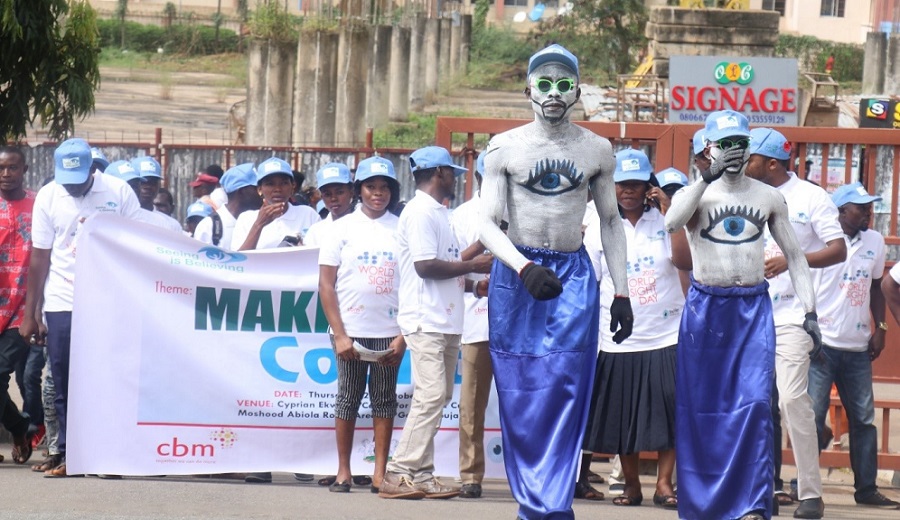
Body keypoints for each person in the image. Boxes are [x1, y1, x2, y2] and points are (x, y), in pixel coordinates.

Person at [477, 44, 633, 520]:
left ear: (577, 91)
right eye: (544, 84)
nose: (553, 93)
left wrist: (621, 292)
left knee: (567, 386)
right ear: (529, 90)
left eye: (563, 84)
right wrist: (522, 266)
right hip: (518, 276)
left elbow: (610, 221)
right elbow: (486, 223)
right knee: (521, 388)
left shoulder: (597, 149)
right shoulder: (505, 147)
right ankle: (532, 503)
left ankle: (555, 504)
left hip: (571, 274)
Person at [664, 110, 821, 520]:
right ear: (708, 148)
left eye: (739, 143)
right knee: (702, 407)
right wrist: (703, 178)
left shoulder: (768, 196)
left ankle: (752, 502)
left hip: (752, 307)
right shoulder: (697, 193)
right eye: (725, 143)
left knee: (754, 406)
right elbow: (672, 221)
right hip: (706, 306)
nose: (733, 151)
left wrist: (810, 311)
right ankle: (702, 502)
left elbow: (795, 256)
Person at [20, 138, 142, 477]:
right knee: (64, 381)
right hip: (62, 300)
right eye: (66, 180)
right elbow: (40, 256)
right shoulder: (49, 195)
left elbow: (137, 246)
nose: (71, 187)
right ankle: (71, 453)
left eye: (78, 179)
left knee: (108, 377)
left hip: (109, 301)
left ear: (92, 169)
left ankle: (108, 454)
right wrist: (31, 314)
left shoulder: (119, 192)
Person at [378, 146, 492, 500]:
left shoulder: (438, 213)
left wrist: (474, 284)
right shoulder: (420, 212)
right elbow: (426, 267)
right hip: (425, 318)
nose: (456, 179)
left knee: (437, 397)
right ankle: (398, 472)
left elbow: (448, 265)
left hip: (444, 318)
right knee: (431, 396)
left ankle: (423, 475)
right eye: (452, 173)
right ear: (439, 173)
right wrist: (477, 265)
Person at [745, 127, 846, 520]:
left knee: (790, 399)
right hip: (748, 314)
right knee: (753, 404)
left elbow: (837, 250)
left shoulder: (811, 196)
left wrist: (793, 258)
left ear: (771, 163)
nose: (743, 163)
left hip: (792, 315)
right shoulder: (742, 193)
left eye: (749, 157)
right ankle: (759, 491)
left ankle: (810, 494)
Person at [583, 149, 689, 510]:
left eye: (635, 184)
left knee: (671, 411)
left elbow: (684, 260)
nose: (628, 191)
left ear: (648, 186)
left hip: (667, 333)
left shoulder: (667, 220)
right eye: (621, 185)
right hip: (617, 338)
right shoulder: (598, 223)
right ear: (610, 187)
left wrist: (671, 213)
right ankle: (630, 485)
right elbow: (590, 278)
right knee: (623, 417)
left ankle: (663, 483)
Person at [318, 155, 405, 494]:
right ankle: (344, 471)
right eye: (371, 186)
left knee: (384, 401)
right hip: (350, 333)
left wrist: (403, 336)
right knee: (347, 399)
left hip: (389, 334)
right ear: (359, 190)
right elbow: (326, 285)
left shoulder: (402, 228)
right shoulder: (340, 229)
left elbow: (413, 286)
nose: (378, 193)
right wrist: (340, 335)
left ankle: (379, 472)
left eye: (385, 187)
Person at [814, 183, 900, 510]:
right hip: (822, 343)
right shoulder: (822, 239)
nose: (868, 212)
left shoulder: (875, 241)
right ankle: (803, 484)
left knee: (863, 419)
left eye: (869, 206)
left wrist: (880, 327)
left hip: (857, 347)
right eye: (860, 207)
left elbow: (878, 287)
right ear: (841, 211)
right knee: (812, 415)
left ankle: (866, 489)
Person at [450, 151, 494, 500]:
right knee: (471, 404)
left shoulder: (524, 210)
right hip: (477, 319)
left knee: (525, 403)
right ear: (479, 178)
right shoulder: (461, 216)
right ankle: (471, 474)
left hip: (520, 322)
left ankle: (529, 473)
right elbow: (450, 265)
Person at [0, 145, 39, 465]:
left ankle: (18, 427)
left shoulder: (38, 204)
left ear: (24, 170)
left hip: (21, 309)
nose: (5, 174)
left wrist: (35, 313)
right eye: (1, 168)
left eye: (12, 168)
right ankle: (19, 427)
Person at [232, 157, 320, 251]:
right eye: (270, 184)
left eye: (284, 183)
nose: (277, 189)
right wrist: (259, 224)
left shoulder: (308, 214)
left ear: (292, 186)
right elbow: (240, 259)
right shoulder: (246, 219)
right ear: (260, 189)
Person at [193, 163, 261, 249]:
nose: (263, 193)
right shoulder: (209, 226)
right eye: (257, 189)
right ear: (241, 192)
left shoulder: (259, 221)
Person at [304, 162, 355, 247]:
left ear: (351, 192)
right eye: (327, 194)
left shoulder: (367, 226)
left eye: (339, 192)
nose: (333, 198)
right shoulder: (316, 232)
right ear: (321, 196)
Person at [131, 156, 183, 233]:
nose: (148, 186)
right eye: (143, 182)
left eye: (153, 182)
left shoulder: (171, 225)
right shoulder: (121, 218)